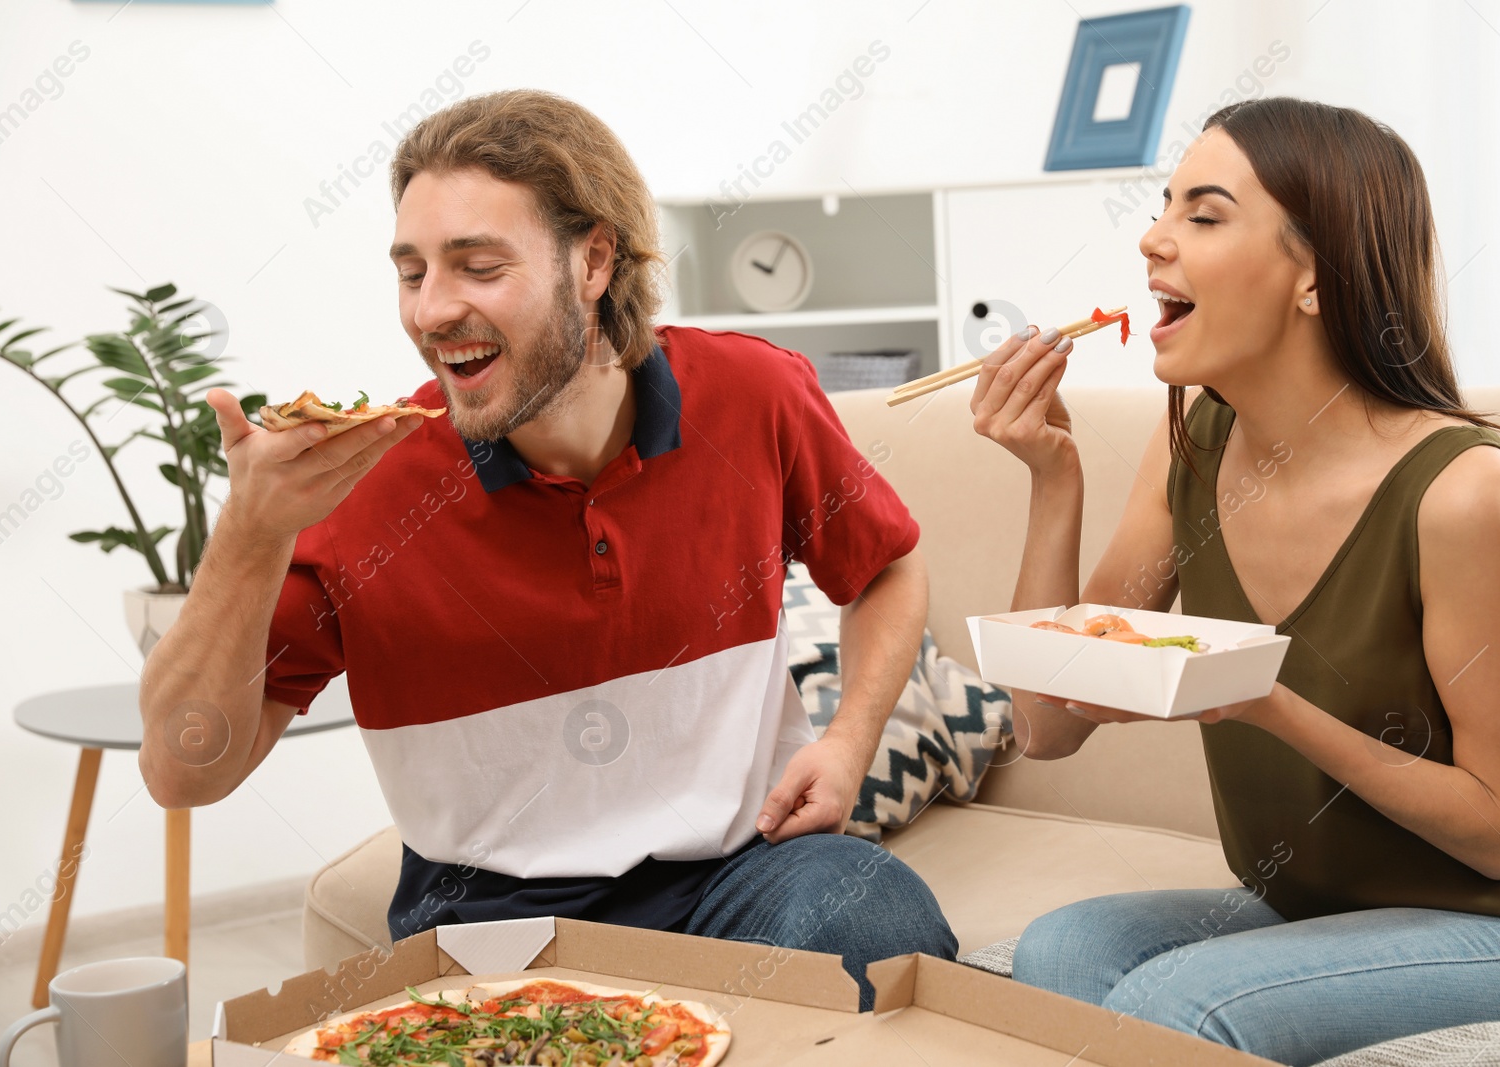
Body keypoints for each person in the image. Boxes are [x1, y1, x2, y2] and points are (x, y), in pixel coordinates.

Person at [138, 89, 956, 1009]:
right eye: (411, 274)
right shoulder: (365, 483)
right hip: (496, 927)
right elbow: (182, 770)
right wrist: (249, 536)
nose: (432, 309)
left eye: (477, 266)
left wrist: (849, 740)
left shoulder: (753, 394)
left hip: (743, 877)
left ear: (594, 259)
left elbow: (886, 565)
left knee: (875, 918)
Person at [972, 97, 1500, 1064]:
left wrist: (1267, 702)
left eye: (1203, 214)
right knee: (1062, 953)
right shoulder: (1189, 441)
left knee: (1180, 1005)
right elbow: (1050, 723)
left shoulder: (1458, 490)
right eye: (1162, 207)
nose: (1151, 239)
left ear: (1313, 275)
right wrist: (1054, 479)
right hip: (1306, 903)